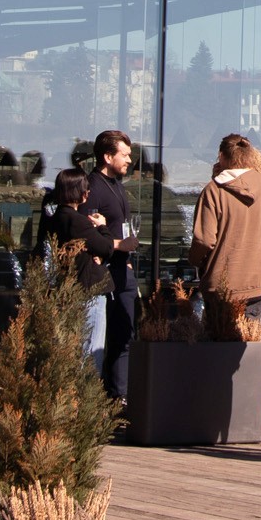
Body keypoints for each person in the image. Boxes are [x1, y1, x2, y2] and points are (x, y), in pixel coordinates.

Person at [188, 134, 261, 323]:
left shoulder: (214, 190)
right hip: (256, 283)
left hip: (222, 284)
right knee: (247, 344)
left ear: (221, 156)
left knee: (219, 347)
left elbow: (204, 240)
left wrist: (193, 260)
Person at [45, 167, 116, 376]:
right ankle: (85, 400)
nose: (88, 194)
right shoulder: (77, 221)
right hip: (88, 291)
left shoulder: (56, 217)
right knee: (90, 352)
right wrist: (102, 227)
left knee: (72, 350)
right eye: (86, 190)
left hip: (68, 288)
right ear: (80, 193)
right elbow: (106, 247)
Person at [87, 130, 140, 403]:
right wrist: (118, 245)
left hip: (123, 270)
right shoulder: (92, 187)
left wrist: (127, 259)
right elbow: (87, 232)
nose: (130, 159)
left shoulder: (118, 186)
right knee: (98, 337)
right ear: (108, 156)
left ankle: (121, 396)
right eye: (125, 154)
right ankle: (97, 397)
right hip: (102, 272)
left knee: (125, 333)